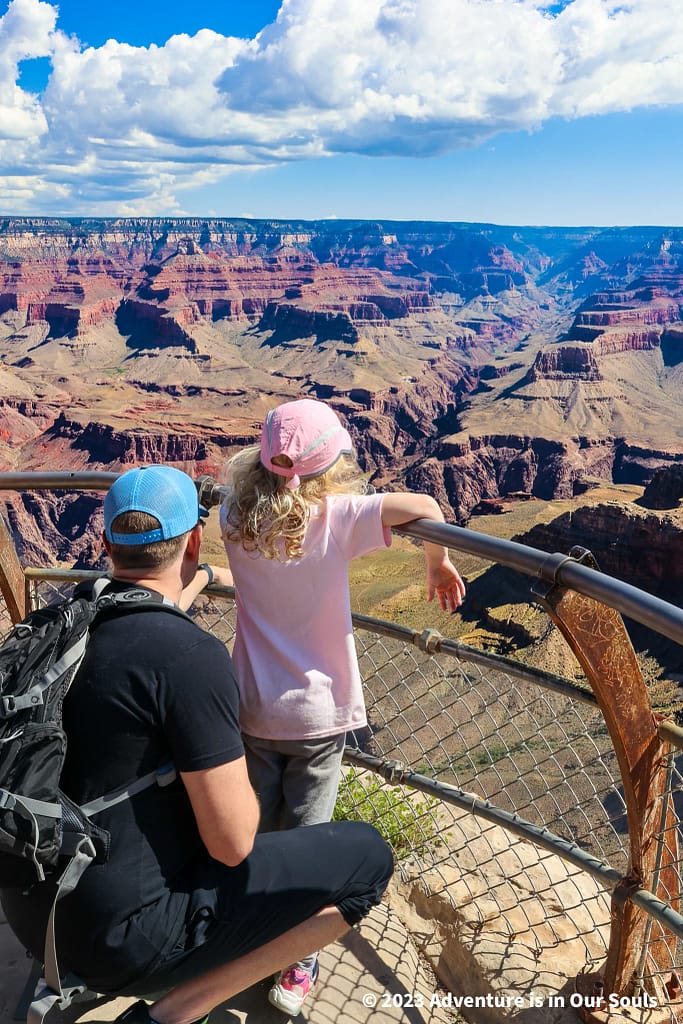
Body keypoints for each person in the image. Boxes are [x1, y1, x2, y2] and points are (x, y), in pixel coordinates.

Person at [0, 465, 394, 1023]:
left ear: (107, 542)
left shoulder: (61, 625)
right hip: (119, 941)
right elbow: (233, 845)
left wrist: (196, 581)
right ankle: (175, 1013)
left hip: (33, 911)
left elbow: (138, 632)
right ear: (191, 540)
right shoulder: (190, 659)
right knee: (368, 858)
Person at [205, 397, 465, 1013]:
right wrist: (438, 557)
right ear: (331, 467)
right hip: (318, 718)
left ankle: (246, 934)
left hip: (252, 705)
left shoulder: (233, 514)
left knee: (259, 831)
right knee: (308, 836)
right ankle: (296, 963)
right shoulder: (337, 517)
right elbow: (425, 507)